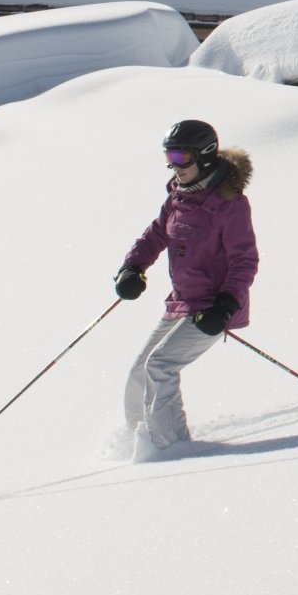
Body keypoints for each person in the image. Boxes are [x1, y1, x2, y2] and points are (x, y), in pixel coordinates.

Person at [112, 118, 257, 455]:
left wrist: (225, 306)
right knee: (139, 371)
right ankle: (138, 440)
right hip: (181, 303)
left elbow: (244, 260)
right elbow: (155, 235)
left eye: (180, 158)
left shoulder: (229, 204)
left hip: (212, 308)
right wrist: (132, 267)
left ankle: (167, 450)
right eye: (169, 157)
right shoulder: (178, 197)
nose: (173, 166)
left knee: (160, 366)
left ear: (204, 157)